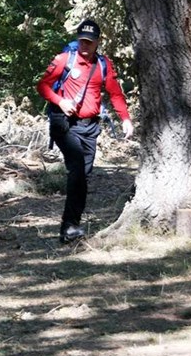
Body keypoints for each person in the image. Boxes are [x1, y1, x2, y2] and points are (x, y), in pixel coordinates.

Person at [37, 20, 134, 244]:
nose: (85, 46)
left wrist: (125, 119)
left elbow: (115, 93)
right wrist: (60, 101)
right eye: (81, 41)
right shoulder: (65, 60)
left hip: (90, 127)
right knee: (78, 169)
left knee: (83, 175)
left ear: (97, 43)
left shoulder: (103, 64)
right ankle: (68, 227)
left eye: (89, 42)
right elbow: (42, 86)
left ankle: (73, 224)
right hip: (65, 124)